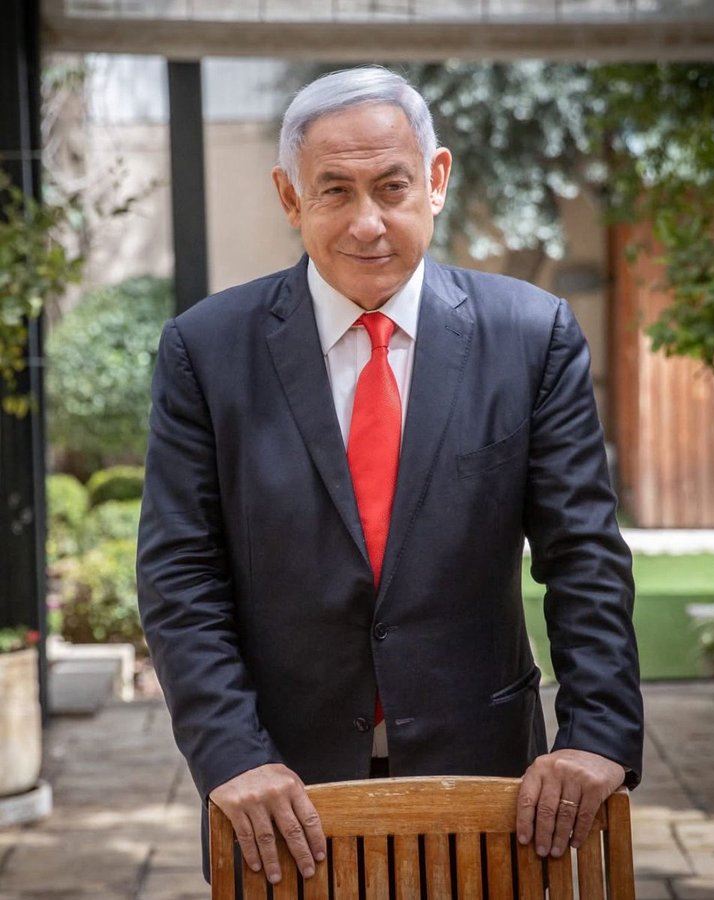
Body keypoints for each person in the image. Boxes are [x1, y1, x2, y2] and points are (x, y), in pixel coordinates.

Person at [136, 65, 643, 888]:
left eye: (392, 187)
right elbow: (180, 572)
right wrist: (230, 753)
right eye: (334, 190)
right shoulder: (207, 350)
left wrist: (597, 731)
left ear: (435, 180)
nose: (367, 222)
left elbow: (583, 554)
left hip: (487, 785)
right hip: (280, 795)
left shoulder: (530, 336)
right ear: (290, 196)